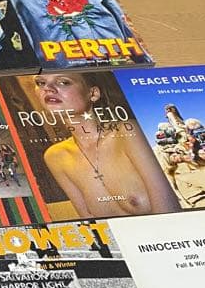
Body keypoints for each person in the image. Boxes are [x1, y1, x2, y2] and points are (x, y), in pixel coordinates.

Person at [30, 73, 181, 217]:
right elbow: (91, 222)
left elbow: (169, 212)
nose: (47, 88)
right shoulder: (55, 156)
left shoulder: (127, 131)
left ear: (93, 93)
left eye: (63, 82)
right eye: (41, 82)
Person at [2, 0, 140, 67]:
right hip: (107, 50)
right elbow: (117, 13)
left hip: (63, 59)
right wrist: (140, 57)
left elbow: (21, 28)